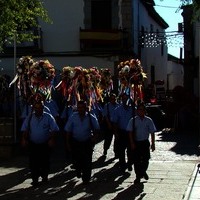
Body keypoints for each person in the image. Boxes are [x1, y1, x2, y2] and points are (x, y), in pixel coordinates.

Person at [21, 100, 59, 187]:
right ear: (34, 108)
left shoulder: (48, 117)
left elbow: (54, 129)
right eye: (36, 108)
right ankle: (35, 179)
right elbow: (24, 129)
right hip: (33, 144)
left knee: (45, 161)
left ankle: (44, 176)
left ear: (43, 108)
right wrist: (23, 139)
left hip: (45, 144)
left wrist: (52, 139)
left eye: (40, 108)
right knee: (33, 163)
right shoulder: (30, 117)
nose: (38, 110)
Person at [64, 100, 100, 184]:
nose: (80, 109)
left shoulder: (90, 116)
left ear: (86, 108)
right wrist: (67, 143)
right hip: (76, 142)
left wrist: (95, 137)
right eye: (78, 108)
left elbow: (97, 128)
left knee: (87, 161)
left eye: (82, 107)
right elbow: (68, 130)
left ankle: (86, 178)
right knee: (77, 160)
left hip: (87, 142)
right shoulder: (73, 117)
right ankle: (78, 169)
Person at [126, 101, 156, 184]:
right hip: (137, 143)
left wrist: (153, 144)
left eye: (142, 110)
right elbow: (130, 132)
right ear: (137, 111)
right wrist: (132, 143)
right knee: (137, 160)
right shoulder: (133, 120)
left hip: (145, 142)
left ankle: (143, 171)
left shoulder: (148, 120)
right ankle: (138, 176)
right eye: (139, 109)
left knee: (146, 159)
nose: (141, 111)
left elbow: (152, 132)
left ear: (145, 111)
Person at [112, 93, 134, 173]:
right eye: (123, 99)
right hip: (121, 132)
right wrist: (116, 133)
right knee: (121, 150)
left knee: (130, 150)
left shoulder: (132, 109)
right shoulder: (117, 110)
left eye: (126, 98)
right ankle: (122, 165)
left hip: (130, 132)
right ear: (121, 100)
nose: (125, 100)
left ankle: (130, 163)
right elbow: (114, 122)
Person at [102, 93, 119, 157]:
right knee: (108, 138)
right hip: (109, 123)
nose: (113, 100)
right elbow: (105, 115)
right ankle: (105, 149)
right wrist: (109, 124)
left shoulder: (118, 105)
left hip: (116, 124)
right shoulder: (107, 106)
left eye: (114, 99)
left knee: (117, 139)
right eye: (112, 99)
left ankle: (116, 151)